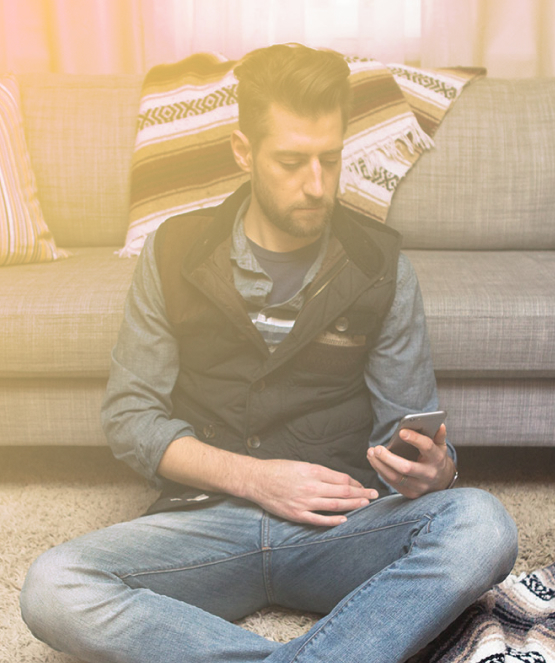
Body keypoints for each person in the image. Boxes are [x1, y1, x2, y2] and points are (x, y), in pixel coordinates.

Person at [20, 44, 517, 663]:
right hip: (206, 525)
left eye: (329, 160)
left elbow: (408, 431)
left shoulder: (380, 265)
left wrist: (435, 470)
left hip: (341, 526)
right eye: (291, 161)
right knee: (52, 585)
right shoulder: (173, 251)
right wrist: (256, 478)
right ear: (243, 153)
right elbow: (130, 416)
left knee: (484, 526)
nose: (317, 185)